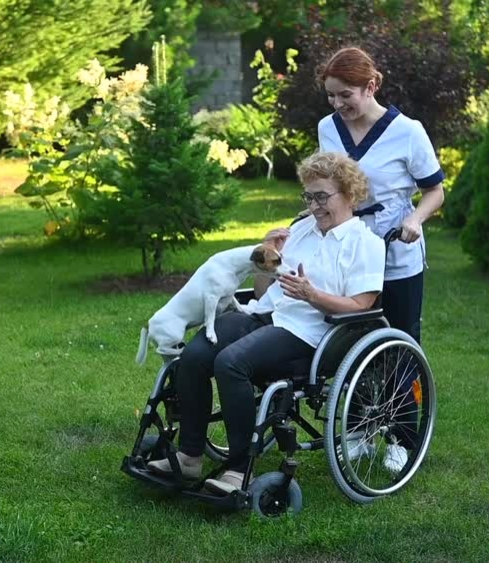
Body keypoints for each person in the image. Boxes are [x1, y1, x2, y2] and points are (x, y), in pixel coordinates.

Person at [146, 152, 386, 494]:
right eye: (308, 196)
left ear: (349, 194)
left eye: (322, 197)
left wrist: (313, 296)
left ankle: (239, 468)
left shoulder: (366, 245)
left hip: (312, 333)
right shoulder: (300, 231)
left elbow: (362, 305)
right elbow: (266, 289)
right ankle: (189, 455)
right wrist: (265, 258)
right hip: (263, 314)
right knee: (196, 355)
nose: (314, 206)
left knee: (232, 362)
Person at [317, 47, 445, 344]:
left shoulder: (408, 132)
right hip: (346, 248)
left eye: (345, 95)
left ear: (370, 87)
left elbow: (435, 191)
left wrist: (415, 219)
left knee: (399, 335)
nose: (337, 104)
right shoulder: (328, 128)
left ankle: (405, 391)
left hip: (396, 247)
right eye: (330, 96)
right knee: (349, 335)